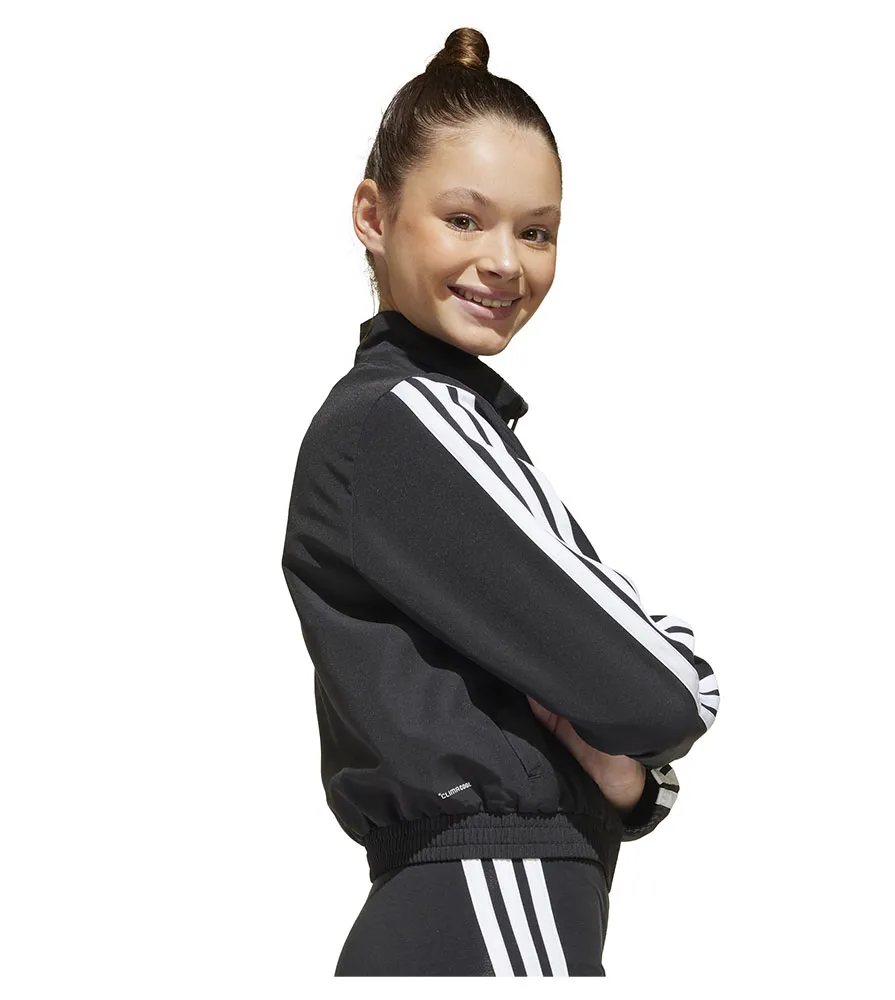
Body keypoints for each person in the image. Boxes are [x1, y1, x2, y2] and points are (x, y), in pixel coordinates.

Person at [280, 26, 721, 977]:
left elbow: (626, 739)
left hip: (477, 903)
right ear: (373, 215)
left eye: (536, 231)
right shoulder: (407, 420)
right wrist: (645, 732)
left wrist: (632, 782)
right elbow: (667, 693)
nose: (505, 262)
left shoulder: (435, 425)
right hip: (492, 901)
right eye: (463, 219)